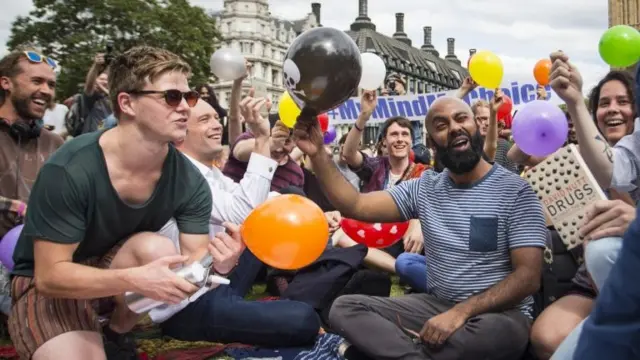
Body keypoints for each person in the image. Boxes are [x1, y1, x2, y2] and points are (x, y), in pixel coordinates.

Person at [7, 46, 243, 360]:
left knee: (158, 250)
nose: (186, 108)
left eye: (189, 97)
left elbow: (192, 262)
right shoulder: (71, 167)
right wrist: (133, 279)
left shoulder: (189, 178)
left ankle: (117, 333)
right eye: (171, 97)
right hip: (49, 282)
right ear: (127, 103)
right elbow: (50, 277)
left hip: (114, 266)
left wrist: (218, 264)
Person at [293, 96, 547, 359]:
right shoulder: (424, 188)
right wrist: (317, 153)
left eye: (461, 118)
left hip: (498, 316)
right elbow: (355, 204)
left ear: (476, 126)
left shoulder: (515, 191)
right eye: (441, 125)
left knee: (493, 336)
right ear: (432, 143)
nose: (454, 127)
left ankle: (392, 352)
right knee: (345, 308)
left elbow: (528, 277)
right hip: (435, 306)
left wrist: (461, 313)